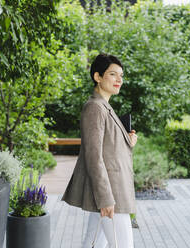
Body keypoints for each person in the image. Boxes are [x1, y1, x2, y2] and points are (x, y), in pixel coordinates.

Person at [61, 53, 138, 248]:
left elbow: (108, 147)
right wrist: (105, 198)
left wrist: (127, 141)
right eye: (113, 74)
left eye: (121, 75)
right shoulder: (95, 108)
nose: (119, 80)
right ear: (98, 77)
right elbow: (93, 156)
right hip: (110, 195)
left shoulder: (105, 107)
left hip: (111, 192)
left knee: (92, 242)